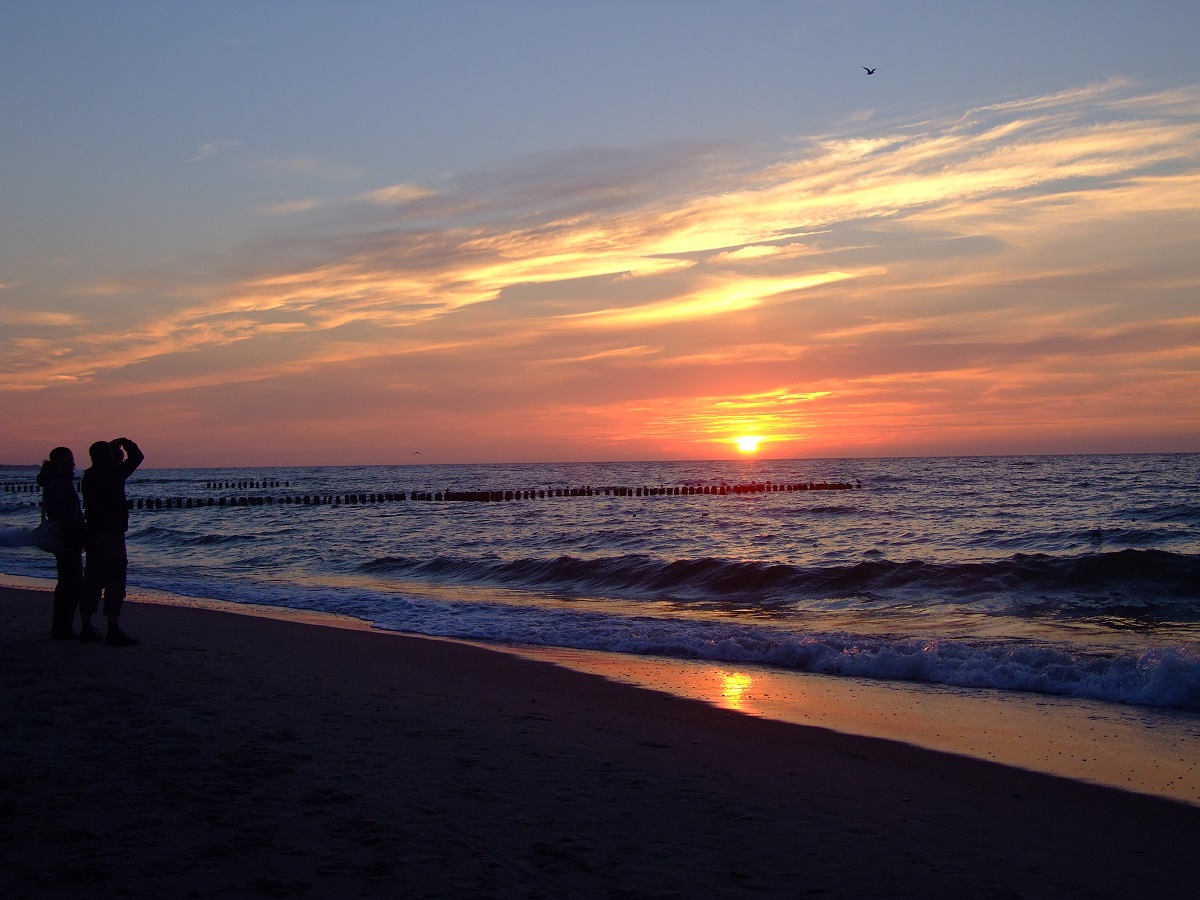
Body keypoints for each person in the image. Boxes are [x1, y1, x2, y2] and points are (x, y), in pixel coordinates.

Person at [80, 437, 144, 646]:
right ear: (108, 457)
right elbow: (137, 457)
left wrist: (114, 451)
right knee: (115, 581)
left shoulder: (88, 477)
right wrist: (125, 442)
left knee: (92, 580)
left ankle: (86, 627)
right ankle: (113, 629)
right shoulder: (113, 474)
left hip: (93, 534)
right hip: (112, 536)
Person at [36, 447, 90, 640]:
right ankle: (62, 628)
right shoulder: (60, 482)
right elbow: (66, 513)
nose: (73, 464)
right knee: (71, 583)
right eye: (69, 461)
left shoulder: (55, 480)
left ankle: (62, 626)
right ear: (58, 462)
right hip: (67, 537)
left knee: (69, 581)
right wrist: (78, 533)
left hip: (65, 536)